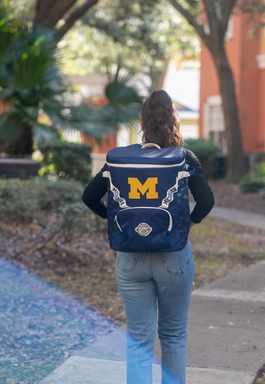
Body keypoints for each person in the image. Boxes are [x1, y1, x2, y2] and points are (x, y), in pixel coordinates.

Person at [82, 90, 214, 384]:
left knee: (139, 342)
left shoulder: (121, 159)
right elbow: (206, 201)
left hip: (130, 258)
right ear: (174, 120)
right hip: (174, 256)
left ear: (142, 121)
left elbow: (89, 196)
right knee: (174, 335)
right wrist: (188, 223)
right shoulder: (183, 158)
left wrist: (116, 222)